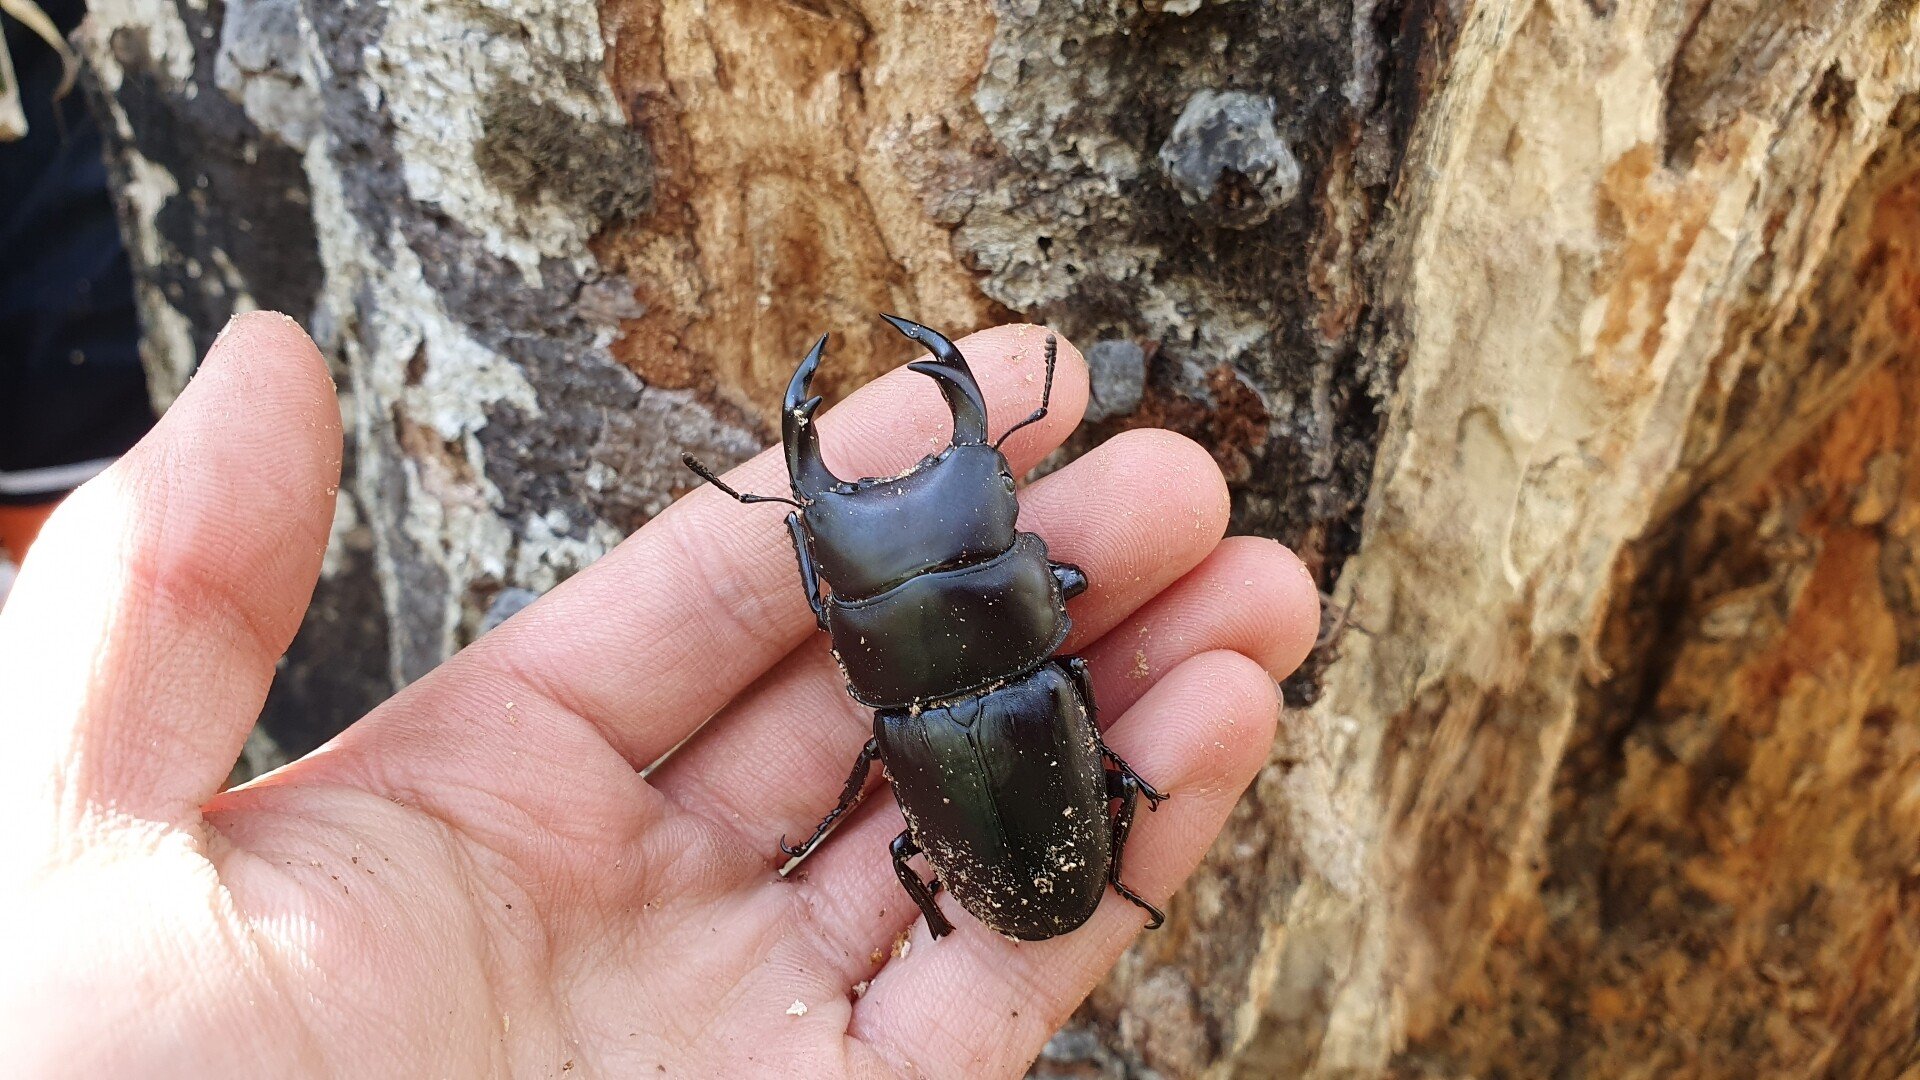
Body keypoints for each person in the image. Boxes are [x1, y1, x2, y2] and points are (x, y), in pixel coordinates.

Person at [0, 314, 1318, 1077]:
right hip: (1042, 803)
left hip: (993, 825)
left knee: (980, 778)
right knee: (1084, 705)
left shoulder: (896, 716)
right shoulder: (1047, 662)